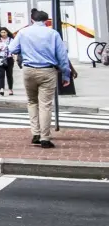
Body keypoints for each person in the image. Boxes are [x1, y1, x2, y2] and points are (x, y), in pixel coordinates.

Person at [8, 9, 74, 149]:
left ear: (32, 19)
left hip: (28, 69)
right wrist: (66, 74)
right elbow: (62, 56)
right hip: (47, 70)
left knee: (32, 101)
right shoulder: (53, 33)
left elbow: (12, 49)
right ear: (46, 20)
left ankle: (35, 133)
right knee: (45, 104)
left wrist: (25, 50)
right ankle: (45, 137)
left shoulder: (23, 32)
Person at [0, 27, 16, 95]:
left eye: (4, 32)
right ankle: (1, 89)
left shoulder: (11, 40)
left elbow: (14, 48)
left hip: (9, 58)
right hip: (0, 58)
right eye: (1, 32)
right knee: (1, 74)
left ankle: (10, 89)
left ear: (7, 32)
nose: (3, 34)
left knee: (9, 74)